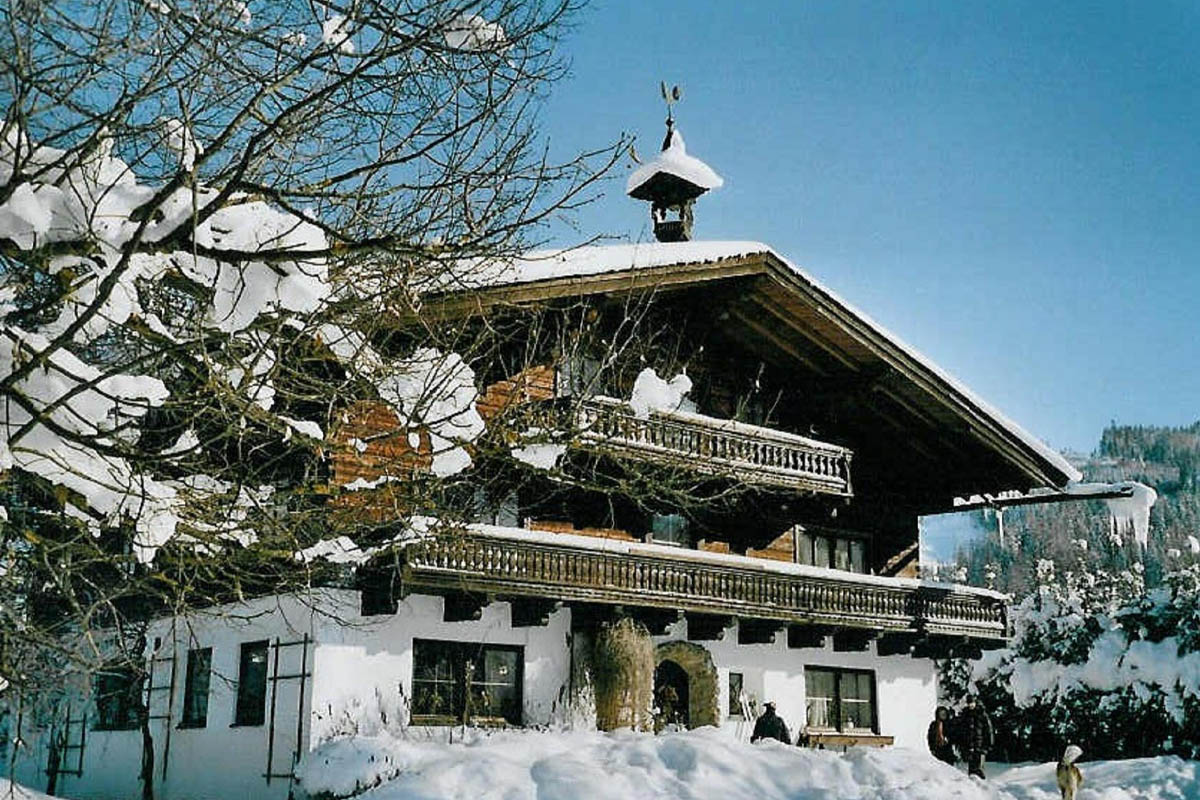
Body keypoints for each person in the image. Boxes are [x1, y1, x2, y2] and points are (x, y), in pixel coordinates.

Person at [957, 694, 994, 778]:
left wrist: (988, 745)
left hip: (980, 745)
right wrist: (962, 746)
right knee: (971, 770)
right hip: (969, 746)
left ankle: (983, 786)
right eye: (969, 703)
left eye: (972, 703)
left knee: (979, 769)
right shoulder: (965, 714)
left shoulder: (982, 714)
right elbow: (962, 730)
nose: (971, 705)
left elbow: (989, 730)